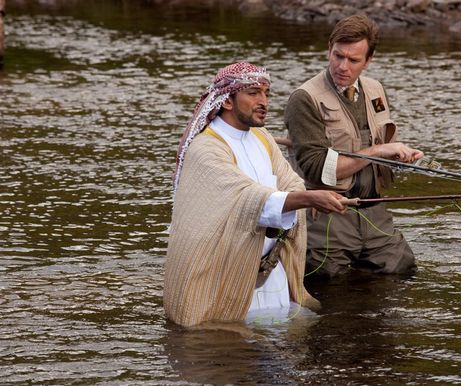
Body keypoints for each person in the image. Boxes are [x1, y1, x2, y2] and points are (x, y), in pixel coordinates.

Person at [164, 62, 347, 328]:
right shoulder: (206, 149)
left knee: (285, 352)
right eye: (253, 93)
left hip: (272, 273)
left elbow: (289, 181)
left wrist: (308, 195)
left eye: (266, 93)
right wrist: (309, 198)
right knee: (228, 353)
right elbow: (246, 199)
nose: (264, 101)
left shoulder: (262, 138)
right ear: (227, 101)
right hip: (224, 276)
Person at [284, 15, 424, 278]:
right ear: (329, 49)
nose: (342, 66)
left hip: (374, 212)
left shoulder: (375, 90)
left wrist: (400, 157)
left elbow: (382, 146)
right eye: (338, 56)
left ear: (369, 61)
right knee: (325, 278)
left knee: (401, 269)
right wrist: (376, 152)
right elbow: (316, 169)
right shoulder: (304, 99)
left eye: (353, 60)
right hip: (325, 217)